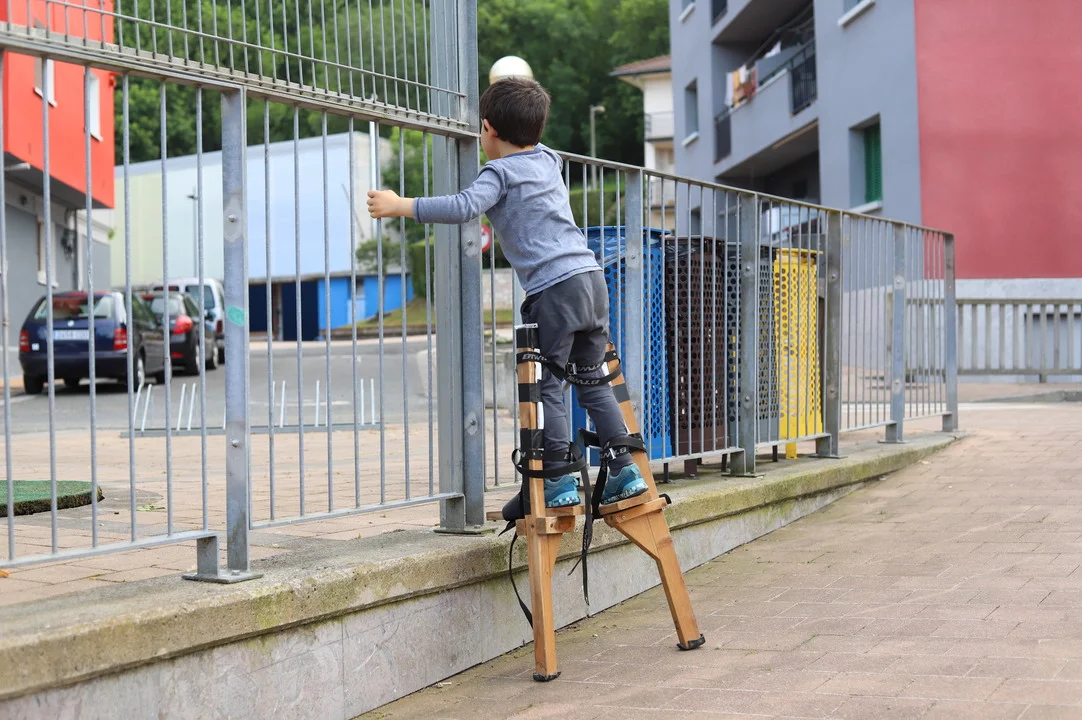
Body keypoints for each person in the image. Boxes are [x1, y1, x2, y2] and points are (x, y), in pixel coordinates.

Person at [367, 77, 646, 519]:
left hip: (554, 290)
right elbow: (528, 134)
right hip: (592, 280)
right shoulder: (549, 160)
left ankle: (557, 480)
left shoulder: (498, 173)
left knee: (548, 386)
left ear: (488, 129)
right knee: (593, 379)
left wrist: (401, 205)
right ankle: (623, 468)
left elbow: (463, 206)